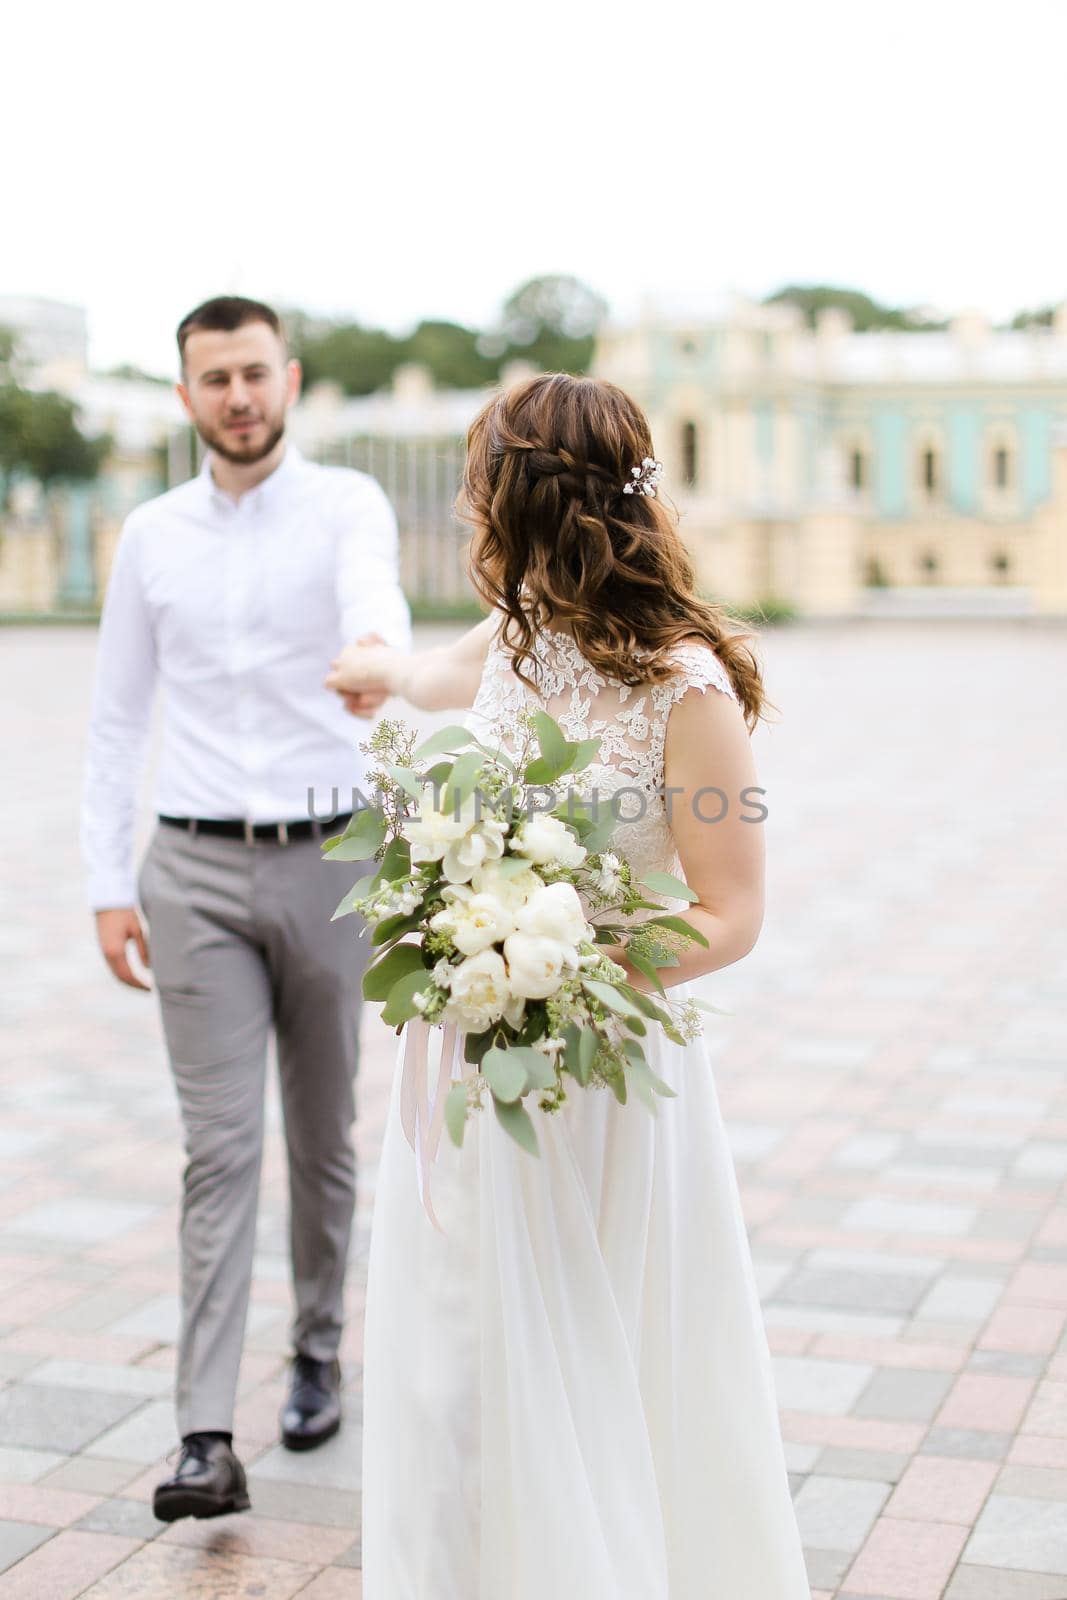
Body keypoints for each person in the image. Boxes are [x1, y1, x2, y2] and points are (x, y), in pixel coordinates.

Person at [325, 373, 810, 1597]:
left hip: (599, 1075)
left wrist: (551, 966)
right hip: (471, 1076)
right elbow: (447, 676)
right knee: (457, 1364)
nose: (463, 509)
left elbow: (732, 911)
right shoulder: (519, 630)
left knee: (587, 1357)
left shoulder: (685, 690)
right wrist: (375, 667)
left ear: (529, 498)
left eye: (477, 484)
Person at [81, 295, 412, 1523]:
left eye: (254, 372)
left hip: (332, 862)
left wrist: (375, 652)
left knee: (321, 1137)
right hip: (195, 872)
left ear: (291, 379)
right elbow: (118, 719)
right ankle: (204, 1437)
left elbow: (373, 597)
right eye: (213, 377)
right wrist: (108, 881)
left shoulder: (345, 507)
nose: (237, 395)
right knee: (216, 1149)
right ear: (184, 395)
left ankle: (318, 1347)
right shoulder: (152, 535)